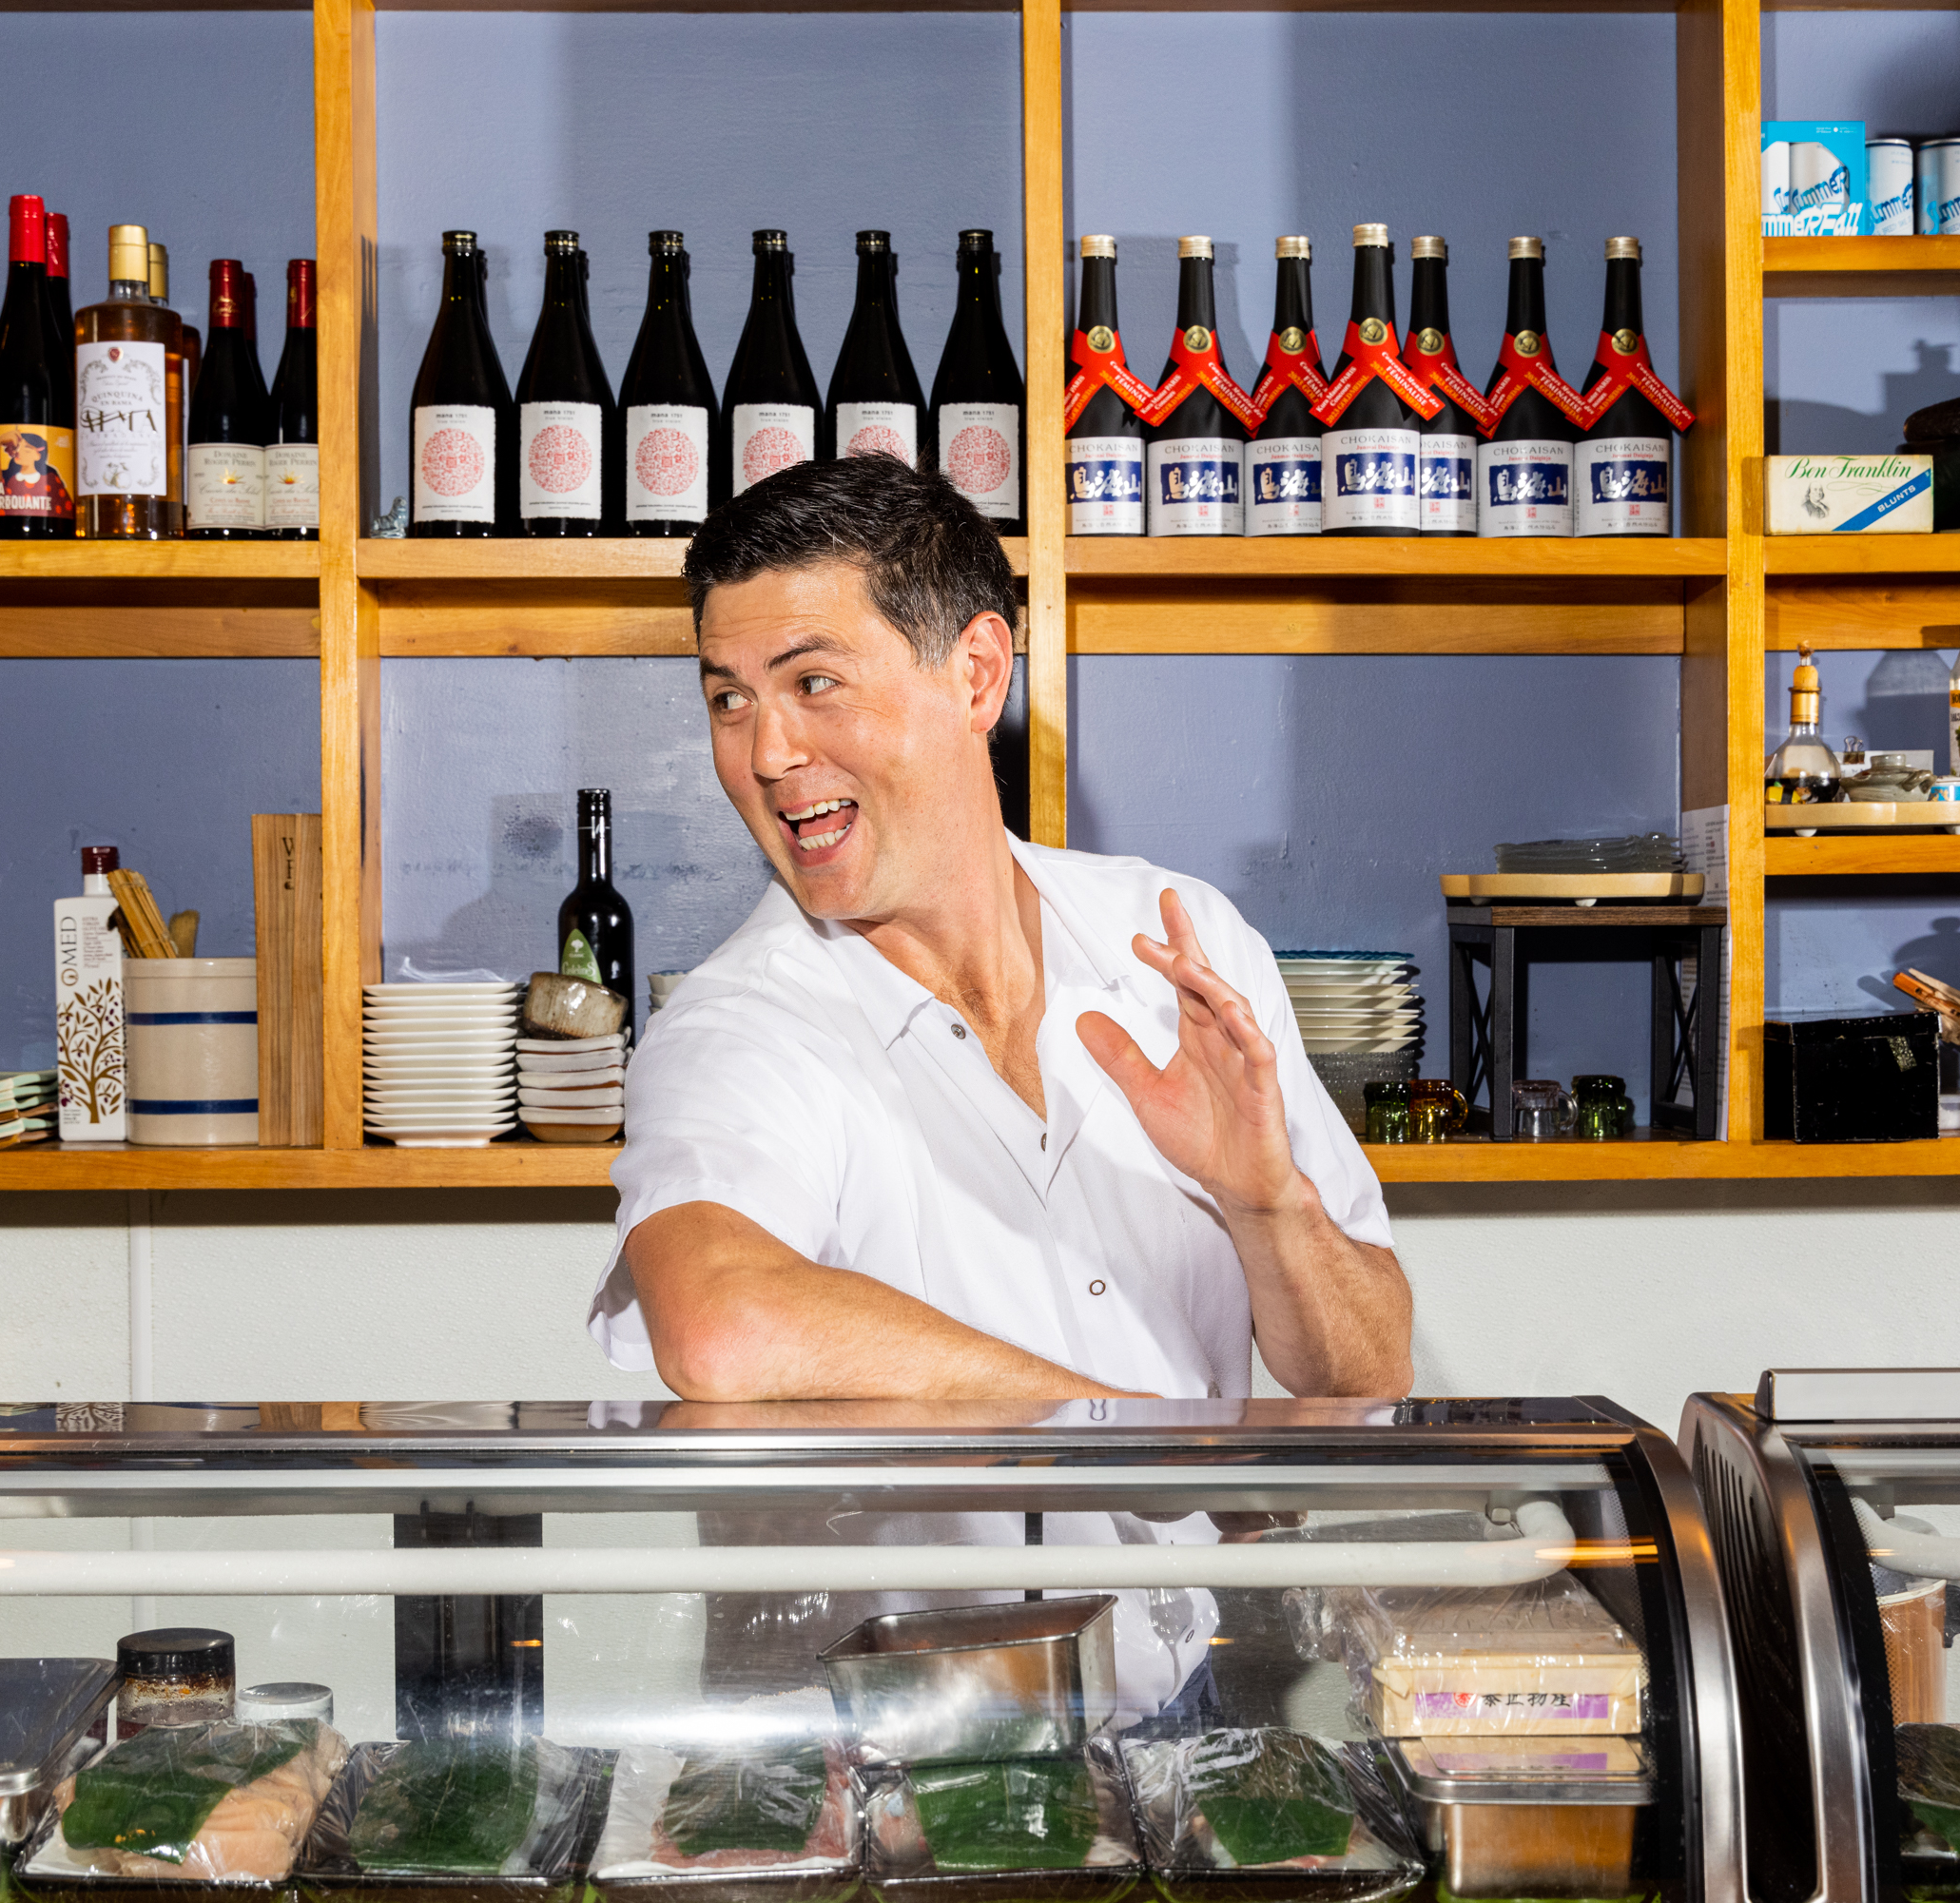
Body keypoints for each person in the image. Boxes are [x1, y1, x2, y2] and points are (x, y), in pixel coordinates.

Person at [582, 454, 1412, 1719]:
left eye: (811, 683)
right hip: (885, 1744)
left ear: (976, 672)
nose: (766, 751)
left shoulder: (1177, 940)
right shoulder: (735, 1027)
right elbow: (721, 1327)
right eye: (728, 698)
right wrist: (1138, 1442)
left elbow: (1370, 1364)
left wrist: (1267, 1204)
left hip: (1197, 1713)